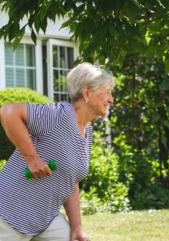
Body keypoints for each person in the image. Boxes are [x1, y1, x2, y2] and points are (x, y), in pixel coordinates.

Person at [0, 62, 114, 241]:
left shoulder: (86, 130)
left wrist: (77, 227)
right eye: (107, 92)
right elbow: (8, 112)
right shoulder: (58, 116)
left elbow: (70, 178)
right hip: (10, 212)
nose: (111, 99)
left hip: (45, 218)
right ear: (87, 93)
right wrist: (32, 159)